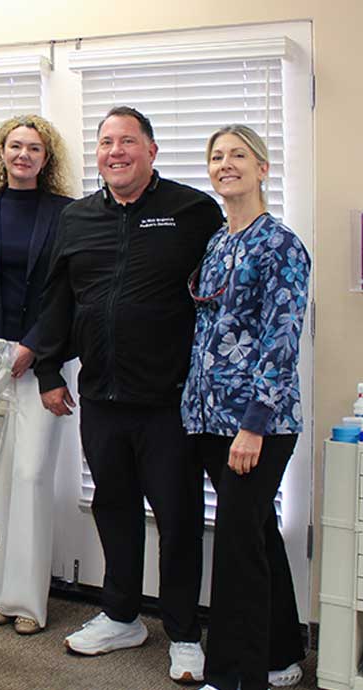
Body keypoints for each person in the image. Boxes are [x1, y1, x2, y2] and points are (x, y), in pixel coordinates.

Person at [34, 106, 224, 682]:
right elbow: (60, 299)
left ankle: (185, 632)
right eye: (105, 142)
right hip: (102, 398)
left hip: (169, 402)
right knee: (114, 508)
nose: (115, 152)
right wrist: (47, 372)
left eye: (128, 142)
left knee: (179, 517)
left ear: (152, 150)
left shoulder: (193, 211)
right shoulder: (78, 218)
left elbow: (223, 296)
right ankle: (121, 615)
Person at [186, 125, 309, 690]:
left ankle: (234, 676)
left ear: (263, 169)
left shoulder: (280, 244)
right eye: (217, 156)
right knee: (256, 533)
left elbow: (282, 341)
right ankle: (283, 652)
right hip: (209, 418)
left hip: (256, 424)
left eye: (238, 155)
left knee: (237, 546)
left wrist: (254, 426)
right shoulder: (217, 243)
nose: (225, 164)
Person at [0, 115, 74, 635]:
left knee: (29, 475)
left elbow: (68, 291)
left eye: (34, 148)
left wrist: (34, 349)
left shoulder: (67, 214)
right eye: (15, 146)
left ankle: (27, 599)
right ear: (1, 152)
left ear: (47, 159)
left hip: (40, 363)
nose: (23, 155)